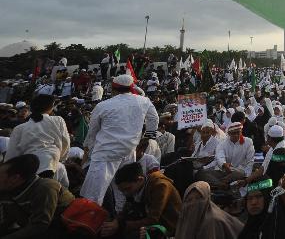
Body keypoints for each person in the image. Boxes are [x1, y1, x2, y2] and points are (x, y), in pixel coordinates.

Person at [81, 74, 159, 206]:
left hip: (105, 154)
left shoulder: (103, 105)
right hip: (128, 152)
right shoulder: (144, 101)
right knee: (122, 191)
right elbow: (154, 119)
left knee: (93, 196)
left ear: (113, 89)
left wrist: (87, 152)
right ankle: (117, 218)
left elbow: (92, 133)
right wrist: (147, 138)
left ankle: (91, 222)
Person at [0, 154, 75, 239]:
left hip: (65, 228)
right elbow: (7, 221)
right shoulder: (7, 192)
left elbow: (39, 226)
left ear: (14, 178)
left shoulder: (45, 188)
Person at [101, 161, 181, 238]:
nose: (125, 193)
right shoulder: (135, 189)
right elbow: (127, 209)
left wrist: (120, 225)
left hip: (168, 226)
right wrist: (116, 221)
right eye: (122, 191)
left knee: (132, 234)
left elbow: (153, 219)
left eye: (127, 189)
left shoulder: (160, 186)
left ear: (140, 180)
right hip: (148, 219)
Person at [5, 94, 70, 179]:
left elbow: (11, 155)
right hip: (52, 163)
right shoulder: (58, 120)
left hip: (26, 169)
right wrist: (61, 158)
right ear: (51, 107)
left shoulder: (19, 128)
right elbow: (66, 143)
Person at [194, 121, 253, 190]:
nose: (236, 135)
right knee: (201, 173)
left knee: (241, 173)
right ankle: (222, 185)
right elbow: (219, 157)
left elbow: (250, 161)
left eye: (238, 133)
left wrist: (247, 179)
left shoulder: (248, 142)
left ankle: (219, 184)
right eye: (234, 133)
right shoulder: (223, 143)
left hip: (237, 171)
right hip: (222, 170)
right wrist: (224, 164)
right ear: (229, 134)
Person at [174, 181, 242, 239]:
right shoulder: (185, 215)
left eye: (198, 198)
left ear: (207, 199)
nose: (193, 203)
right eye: (189, 200)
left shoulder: (212, 221)